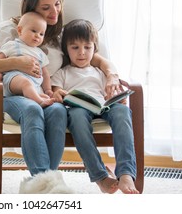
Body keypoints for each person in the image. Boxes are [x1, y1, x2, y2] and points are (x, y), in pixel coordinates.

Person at [0, 0, 122, 193]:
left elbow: (93, 57)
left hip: (45, 93)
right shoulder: (10, 30)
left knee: (58, 111)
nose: (54, 12)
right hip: (15, 94)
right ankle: (47, 185)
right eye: (46, 7)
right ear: (31, 7)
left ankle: (45, 185)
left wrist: (111, 74)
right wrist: (15, 62)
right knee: (32, 109)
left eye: (57, 4)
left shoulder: (60, 32)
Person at [51, 19, 139, 194]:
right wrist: (58, 93)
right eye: (75, 47)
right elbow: (55, 90)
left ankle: (126, 172)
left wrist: (116, 97)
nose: (82, 53)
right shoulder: (63, 72)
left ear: (94, 49)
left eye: (87, 47)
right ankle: (100, 176)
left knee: (122, 111)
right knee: (76, 118)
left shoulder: (101, 72)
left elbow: (112, 90)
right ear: (66, 49)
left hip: (103, 106)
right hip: (79, 109)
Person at [0, 11, 55, 107]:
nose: (37, 35)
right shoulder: (12, 45)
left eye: (41, 34)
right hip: (14, 78)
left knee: (33, 88)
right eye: (34, 31)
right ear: (20, 30)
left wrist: (48, 89)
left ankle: (35, 96)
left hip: (35, 84)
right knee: (26, 83)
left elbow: (45, 73)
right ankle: (39, 102)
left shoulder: (41, 53)